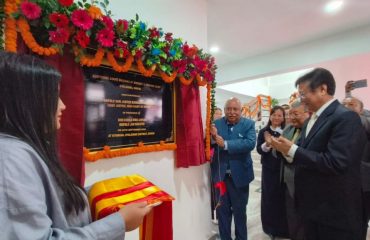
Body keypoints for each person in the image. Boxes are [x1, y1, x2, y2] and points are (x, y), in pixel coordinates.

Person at [0, 51, 152, 239]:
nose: (63, 105)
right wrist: (119, 222)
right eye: (54, 96)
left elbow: (55, 202)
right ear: (26, 102)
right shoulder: (9, 158)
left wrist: (105, 193)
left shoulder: (24, 148)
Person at [270, 68, 367, 240]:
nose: (301, 99)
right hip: (312, 208)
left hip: (334, 212)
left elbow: (336, 162)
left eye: (303, 94)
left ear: (322, 89)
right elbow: (302, 151)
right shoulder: (312, 120)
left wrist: (292, 150)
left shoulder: (345, 118)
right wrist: (285, 149)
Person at [210, 97, 256, 240]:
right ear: (224, 110)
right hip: (221, 177)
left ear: (241, 110)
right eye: (228, 109)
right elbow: (210, 144)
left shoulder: (249, 124)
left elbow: (250, 143)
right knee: (222, 211)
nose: (232, 112)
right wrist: (212, 138)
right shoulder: (216, 124)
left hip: (240, 176)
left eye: (235, 109)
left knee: (240, 211)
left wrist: (226, 144)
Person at [256, 106, 289, 239]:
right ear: (270, 116)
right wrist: (267, 144)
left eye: (280, 115)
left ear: (283, 117)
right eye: (274, 115)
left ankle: (283, 228)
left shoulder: (287, 131)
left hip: (284, 169)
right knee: (269, 198)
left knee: (282, 199)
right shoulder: (264, 131)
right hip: (269, 170)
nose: (276, 117)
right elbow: (259, 149)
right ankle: (270, 228)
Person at [342, 96, 370, 239]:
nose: (347, 106)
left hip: (362, 183)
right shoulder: (337, 126)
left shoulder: (364, 122)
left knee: (360, 220)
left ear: (361, 109)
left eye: (352, 104)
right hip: (341, 182)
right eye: (344, 104)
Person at [281, 100, 309, 240]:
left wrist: (289, 151)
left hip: (305, 182)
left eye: (295, 114)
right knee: (292, 216)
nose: (291, 117)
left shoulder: (312, 131)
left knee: (305, 219)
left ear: (307, 113)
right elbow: (277, 150)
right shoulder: (288, 129)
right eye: (290, 114)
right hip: (288, 180)